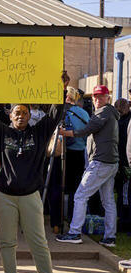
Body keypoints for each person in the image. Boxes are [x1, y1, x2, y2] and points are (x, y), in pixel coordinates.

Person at [0, 70, 67, 273]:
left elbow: (54, 114)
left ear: (29, 115)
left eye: (24, 112)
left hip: (30, 196)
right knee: (7, 242)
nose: (21, 116)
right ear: (10, 116)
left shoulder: (40, 132)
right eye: (17, 112)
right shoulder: (1, 132)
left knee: (39, 243)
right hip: (3, 197)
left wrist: (61, 90)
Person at [57, 85, 119, 248]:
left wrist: (65, 133)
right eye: (95, 97)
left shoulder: (103, 112)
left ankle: (74, 232)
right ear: (92, 98)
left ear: (108, 98)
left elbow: (85, 130)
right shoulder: (109, 112)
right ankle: (110, 237)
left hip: (101, 162)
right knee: (108, 201)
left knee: (80, 196)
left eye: (101, 96)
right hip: (110, 162)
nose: (98, 99)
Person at [57, 87, 90, 226]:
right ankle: (72, 216)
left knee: (60, 186)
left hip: (64, 152)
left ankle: (58, 218)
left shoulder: (63, 112)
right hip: (80, 152)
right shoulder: (84, 113)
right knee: (76, 188)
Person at [114, 99, 131, 232]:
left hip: (123, 160)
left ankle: (124, 220)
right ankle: (123, 219)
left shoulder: (117, 121)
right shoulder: (123, 121)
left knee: (124, 192)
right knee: (124, 192)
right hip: (123, 160)